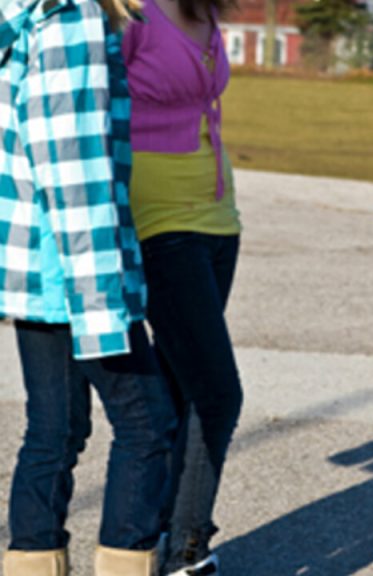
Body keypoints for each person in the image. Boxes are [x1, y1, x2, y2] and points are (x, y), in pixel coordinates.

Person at [0, 0, 178, 574]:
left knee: (54, 429)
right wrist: (101, 300)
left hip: (36, 264)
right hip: (74, 270)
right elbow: (70, 162)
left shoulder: (26, 15)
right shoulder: (70, 16)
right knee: (148, 424)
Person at [121, 0, 242, 573]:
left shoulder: (203, 8)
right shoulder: (127, 15)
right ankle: (188, 548)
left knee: (184, 388)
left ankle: (156, 543)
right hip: (157, 220)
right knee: (219, 393)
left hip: (218, 217)